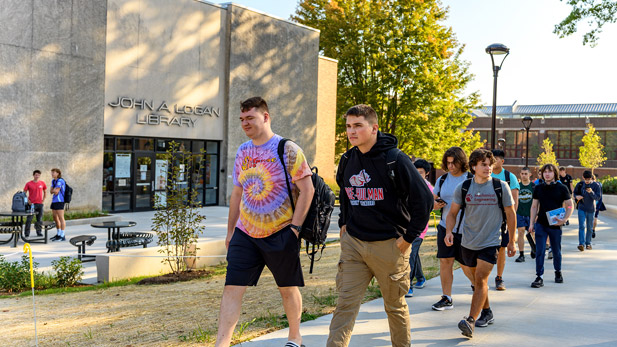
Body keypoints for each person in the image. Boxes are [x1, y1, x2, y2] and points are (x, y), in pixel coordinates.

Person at [328, 104, 432, 347]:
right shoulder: (346, 159)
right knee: (344, 305)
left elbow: (424, 200)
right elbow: (345, 193)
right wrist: (344, 223)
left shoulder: (395, 159)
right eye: (348, 126)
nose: (351, 132)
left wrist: (408, 238)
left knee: (394, 307)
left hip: (389, 245)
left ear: (374, 128)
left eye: (357, 126)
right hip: (354, 244)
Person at [215, 97, 314, 347]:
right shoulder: (242, 151)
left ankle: (295, 337)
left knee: (287, 288)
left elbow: (308, 190)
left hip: (281, 231)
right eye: (242, 119)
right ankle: (222, 343)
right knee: (232, 288)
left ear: (266, 117)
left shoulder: (288, 149)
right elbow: (237, 193)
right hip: (245, 234)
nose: (245, 123)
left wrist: (295, 228)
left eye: (250, 118)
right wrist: (230, 232)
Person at [445, 149, 516, 338]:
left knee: (481, 279)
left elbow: (510, 213)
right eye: (483, 164)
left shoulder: (500, 186)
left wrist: (512, 240)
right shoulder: (464, 187)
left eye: (489, 164)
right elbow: (452, 213)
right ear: (474, 166)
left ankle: (470, 320)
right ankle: (487, 311)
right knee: (475, 280)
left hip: (491, 241)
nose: (488, 167)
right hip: (467, 241)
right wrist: (449, 231)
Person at [431, 147, 474, 311]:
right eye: (448, 163)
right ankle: (446, 297)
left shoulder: (471, 179)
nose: (450, 166)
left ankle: (476, 285)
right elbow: (433, 201)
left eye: (453, 163)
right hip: (445, 227)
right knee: (445, 261)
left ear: (461, 162)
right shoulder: (442, 180)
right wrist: (436, 204)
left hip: (467, 229)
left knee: (466, 265)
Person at [529, 163, 573, 288]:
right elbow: (534, 206)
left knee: (556, 251)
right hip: (541, 224)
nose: (547, 174)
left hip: (555, 225)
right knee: (540, 251)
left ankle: (558, 272)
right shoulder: (538, 188)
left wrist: (565, 219)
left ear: (555, 173)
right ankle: (539, 277)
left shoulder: (562, 188)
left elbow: (570, 204)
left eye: (550, 171)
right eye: (545, 172)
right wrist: (531, 223)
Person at [490, 149, 519, 291]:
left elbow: (514, 201)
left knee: (502, 248)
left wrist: (510, 219)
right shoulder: (484, 174)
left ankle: (499, 277)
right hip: (486, 218)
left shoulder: (509, 177)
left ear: (502, 161)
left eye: (496, 159)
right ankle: (478, 279)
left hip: (503, 219)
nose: (492, 161)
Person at [405, 159, 433, 298]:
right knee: (413, 254)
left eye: (420, 172)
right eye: (415, 171)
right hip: (406, 226)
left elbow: (433, 204)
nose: (417, 174)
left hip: (419, 228)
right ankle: (420, 277)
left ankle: (408, 286)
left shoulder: (429, 188)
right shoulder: (408, 184)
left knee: (410, 254)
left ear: (427, 173)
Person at [573, 170, 601, 251]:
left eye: (589, 179)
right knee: (581, 226)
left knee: (589, 227)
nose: (587, 181)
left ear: (591, 178)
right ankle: (581, 244)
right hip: (581, 208)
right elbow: (574, 193)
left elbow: (598, 197)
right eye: (586, 179)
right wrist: (576, 196)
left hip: (591, 209)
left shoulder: (596, 185)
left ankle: (588, 243)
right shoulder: (580, 184)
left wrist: (591, 192)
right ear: (583, 178)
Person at [515, 167, 535, 262]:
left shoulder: (534, 186)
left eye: (525, 173)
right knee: (521, 231)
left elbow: (537, 202)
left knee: (533, 233)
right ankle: (521, 254)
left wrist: (537, 213)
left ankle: (534, 248)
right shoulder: (517, 186)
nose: (523, 175)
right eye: (522, 173)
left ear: (530, 174)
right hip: (520, 213)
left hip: (531, 214)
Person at [23, 170, 47, 238]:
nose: (37, 176)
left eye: (38, 175)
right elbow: (24, 193)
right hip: (32, 205)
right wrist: (28, 201)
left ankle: (39, 232)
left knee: (39, 219)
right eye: (36, 175)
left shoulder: (42, 183)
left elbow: (45, 191)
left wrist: (43, 200)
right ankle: (27, 233)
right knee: (29, 219)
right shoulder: (29, 183)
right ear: (33, 175)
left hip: (40, 204)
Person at [50, 168, 67, 241]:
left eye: (53, 172)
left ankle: (62, 235)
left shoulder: (60, 181)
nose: (52, 174)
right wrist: (54, 190)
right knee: (55, 217)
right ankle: (58, 233)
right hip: (54, 201)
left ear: (58, 173)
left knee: (61, 217)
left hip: (60, 201)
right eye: (51, 172)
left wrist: (54, 190)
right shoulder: (53, 181)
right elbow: (51, 191)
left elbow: (56, 191)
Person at [592, 174, 606, 238]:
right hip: (596, 204)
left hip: (595, 204)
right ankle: (593, 230)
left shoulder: (598, 185)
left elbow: (600, 197)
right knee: (594, 217)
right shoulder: (599, 185)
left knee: (594, 218)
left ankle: (592, 230)